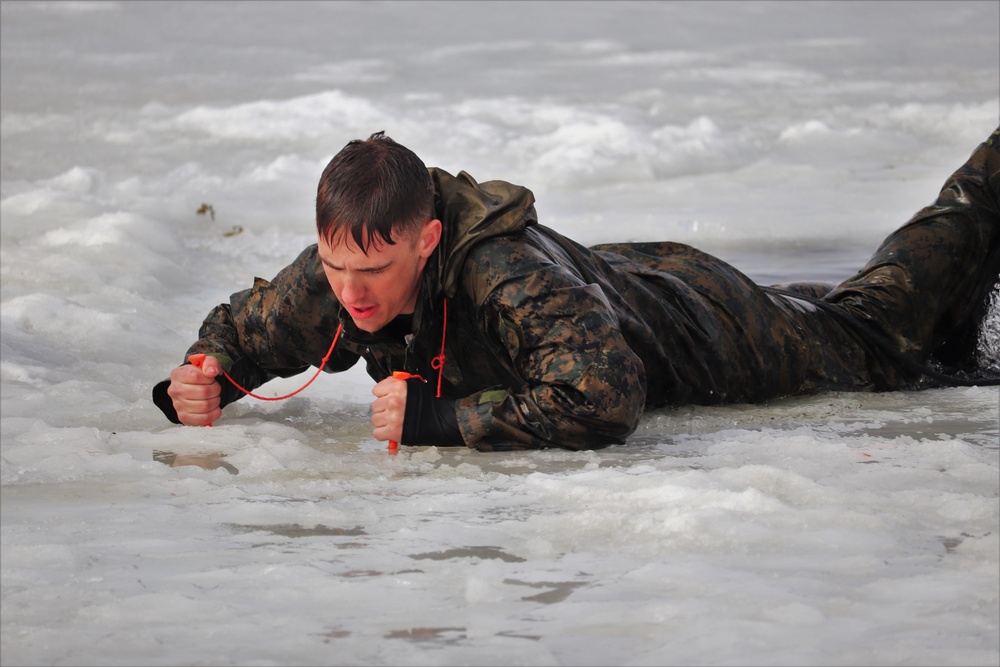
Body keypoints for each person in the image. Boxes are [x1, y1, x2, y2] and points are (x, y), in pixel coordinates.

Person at [153, 127, 1000, 451]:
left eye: (371, 273)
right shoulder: (345, 264)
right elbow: (248, 327)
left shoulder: (498, 276)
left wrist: (442, 419)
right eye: (336, 268)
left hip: (712, 329)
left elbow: (608, 393)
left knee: (881, 329)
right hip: (618, 282)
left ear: (429, 239)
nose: (351, 293)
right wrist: (207, 374)